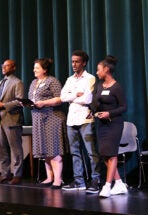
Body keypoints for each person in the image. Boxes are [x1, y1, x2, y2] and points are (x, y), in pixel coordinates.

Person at [60, 50, 100, 193]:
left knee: (91, 151)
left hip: (85, 117)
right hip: (71, 119)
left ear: (83, 62)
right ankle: (79, 181)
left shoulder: (90, 78)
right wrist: (75, 95)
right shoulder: (70, 79)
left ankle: (96, 180)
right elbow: (62, 96)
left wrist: (71, 97)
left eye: (77, 61)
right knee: (74, 152)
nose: (74, 64)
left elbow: (88, 99)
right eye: (72, 61)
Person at [91, 55, 128, 198]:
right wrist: (93, 107)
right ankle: (119, 183)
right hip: (101, 124)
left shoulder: (116, 87)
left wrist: (109, 113)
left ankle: (107, 186)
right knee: (105, 155)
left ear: (106, 69)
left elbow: (124, 107)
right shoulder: (99, 85)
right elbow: (95, 103)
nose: (97, 72)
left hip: (114, 124)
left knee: (112, 154)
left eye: (98, 70)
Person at [27, 58, 67, 189]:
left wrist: (44, 103)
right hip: (38, 118)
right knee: (45, 150)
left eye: (37, 68)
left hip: (52, 118)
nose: (34, 70)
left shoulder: (52, 81)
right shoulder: (34, 82)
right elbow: (32, 98)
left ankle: (58, 179)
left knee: (53, 149)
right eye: (34, 68)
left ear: (44, 70)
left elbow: (60, 99)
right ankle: (49, 177)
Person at [0, 59, 24, 185]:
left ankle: (17, 175)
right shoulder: (0, 83)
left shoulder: (17, 82)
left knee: (16, 149)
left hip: (12, 120)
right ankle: (5, 174)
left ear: (14, 67)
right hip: (0, 120)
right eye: (3, 66)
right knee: (2, 149)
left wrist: (3, 105)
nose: (4, 68)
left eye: (7, 66)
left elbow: (20, 101)